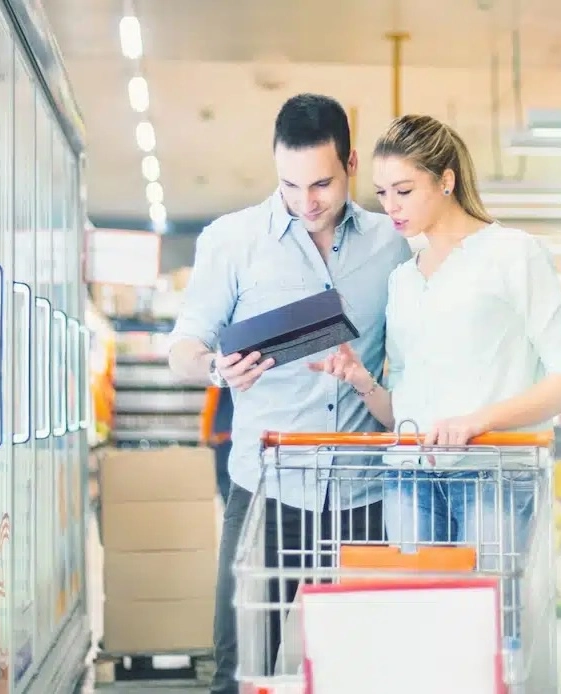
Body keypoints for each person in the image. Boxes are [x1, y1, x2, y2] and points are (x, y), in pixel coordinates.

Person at [166, 93, 412, 693]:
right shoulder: (232, 240)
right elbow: (183, 350)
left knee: (360, 670)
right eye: (290, 185)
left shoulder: (394, 243)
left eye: (322, 184)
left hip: (365, 495)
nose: (307, 203)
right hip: (266, 493)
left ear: (351, 164)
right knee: (240, 664)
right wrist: (217, 370)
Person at [310, 113, 561, 628]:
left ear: (446, 179)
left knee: (491, 639)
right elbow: (405, 409)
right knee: (421, 638)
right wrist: (362, 380)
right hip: (408, 475)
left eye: (404, 190)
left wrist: (477, 420)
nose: (390, 207)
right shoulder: (402, 279)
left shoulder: (512, 253)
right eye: (382, 193)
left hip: (495, 474)